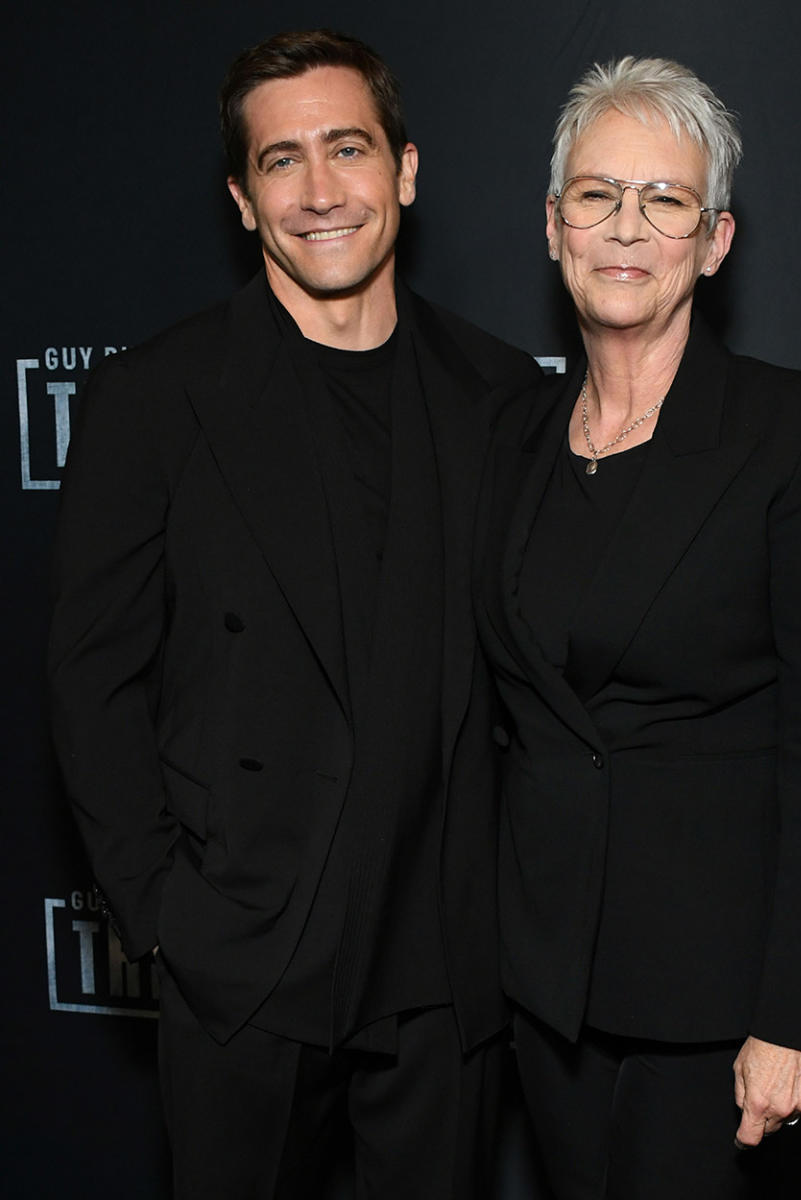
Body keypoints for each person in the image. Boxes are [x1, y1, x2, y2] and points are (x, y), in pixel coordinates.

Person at [48, 29, 539, 1200]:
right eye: (281, 161)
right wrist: (167, 918)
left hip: (443, 974)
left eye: (348, 149)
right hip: (246, 967)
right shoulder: (155, 399)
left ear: (406, 170)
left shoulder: (502, 397)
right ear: (241, 196)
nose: (320, 192)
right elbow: (89, 675)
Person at [476, 57, 801, 1199]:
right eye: (598, 195)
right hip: (546, 990)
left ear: (713, 240)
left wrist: (796, 1017)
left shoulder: (800, 437)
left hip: (715, 1005)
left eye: (665, 200)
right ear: (554, 226)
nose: (627, 227)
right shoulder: (510, 438)